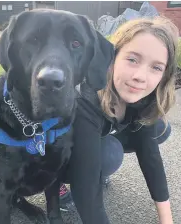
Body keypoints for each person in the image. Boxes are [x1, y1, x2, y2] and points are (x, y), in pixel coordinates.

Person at [58, 17, 179, 224]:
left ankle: (98, 162)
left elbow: (150, 155)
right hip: (53, 150)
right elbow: (86, 191)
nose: (140, 76)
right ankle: (56, 181)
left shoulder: (143, 96)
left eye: (156, 67)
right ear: (112, 58)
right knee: (108, 154)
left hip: (98, 130)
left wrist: (167, 220)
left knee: (159, 128)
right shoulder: (86, 97)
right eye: (132, 59)